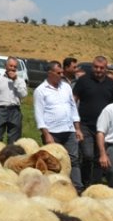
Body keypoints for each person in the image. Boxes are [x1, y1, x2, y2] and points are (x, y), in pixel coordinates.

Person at [72, 55, 113, 192]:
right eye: (96, 67)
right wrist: (76, 125)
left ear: (106, 68)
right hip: (85, 124)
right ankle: (84, 183)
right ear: (92, 67)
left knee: (100, 157)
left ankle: (95, 186)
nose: (98, 70)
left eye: (101, 68)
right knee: (87, 155)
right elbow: (73, 101)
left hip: (103, 128)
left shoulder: (110, 84)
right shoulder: (83, 81)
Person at [34, 61, 82, 189]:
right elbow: (39, 114)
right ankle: (54, 186)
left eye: (62, 72)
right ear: (50, 73)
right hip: (52, 132)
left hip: (69, 129)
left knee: (74, 160)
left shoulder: (66, 87)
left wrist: (77, 128)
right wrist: (46, 134)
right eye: (58, 73)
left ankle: (77, 187)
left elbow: (73, 107)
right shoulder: (40, 91)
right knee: (53, 161)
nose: (61, 75)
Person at [0, 57, 28, 142]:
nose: (12, 68)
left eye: (15, 67)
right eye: (10, 66)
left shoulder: (20, 81)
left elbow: (23, 94)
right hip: (0, 111)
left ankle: (11, 155)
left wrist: (15, 80)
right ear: (5, 66)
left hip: (14, 111)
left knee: (14, 141)